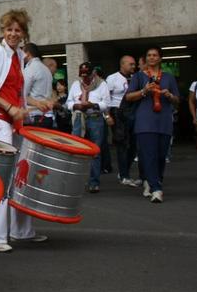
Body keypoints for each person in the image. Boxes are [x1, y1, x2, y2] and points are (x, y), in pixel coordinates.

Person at [0, 9, 46, 253]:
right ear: (3, 31)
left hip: (13, 122)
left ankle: (20, 230)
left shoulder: (18, 56)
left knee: (20, 176)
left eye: (18, 30)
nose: (13, 33)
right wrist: (11, 108)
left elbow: (16, 92)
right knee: (2, 179)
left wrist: (34, 105)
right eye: (9, 29)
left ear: (24, 33)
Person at [123, 46, 180, 203]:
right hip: (145, 120)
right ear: (146, 59)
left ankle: (153, 181)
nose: (152, 57)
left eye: (155, 55)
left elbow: (177, 99)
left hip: (163, 120)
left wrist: (169, 95)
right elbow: (128, 97)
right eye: (149, 55)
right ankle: (156, 189)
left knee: (161, 155)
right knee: (148, 155)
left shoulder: (168, 77)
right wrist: (143, 91)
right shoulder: (139, 77)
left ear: (160, 58)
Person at [67, 62, 109, 193]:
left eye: (87, 75)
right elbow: (68, 102)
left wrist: (93, 105)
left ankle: (94, 182)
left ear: (93, 73)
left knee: (95, 152)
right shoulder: (76, 85)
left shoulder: (101, 84)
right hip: (80, 118)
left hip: (95, 118)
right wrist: (76, 106)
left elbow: (107, 104)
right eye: (82, 75)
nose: (84, 78)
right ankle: (75, 182)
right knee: (76, 151)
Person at [105, 55, 142, 187]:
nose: (134, 66)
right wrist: (107, 115)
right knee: (122, 144)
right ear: (123, 64)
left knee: (133, 145)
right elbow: (106, 97)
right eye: (131, 64)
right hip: (117, 111)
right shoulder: (112, 78)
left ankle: (123, 171)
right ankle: (124, 176)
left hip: (132, 112)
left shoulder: (136, 77)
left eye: (134, 64)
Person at [22, 43, 54, 128]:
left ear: (27, 53)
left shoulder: (30, 68)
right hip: (48, 115)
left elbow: (22, 94)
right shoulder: (46, 69)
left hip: (35, 116)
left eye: (22, 52)